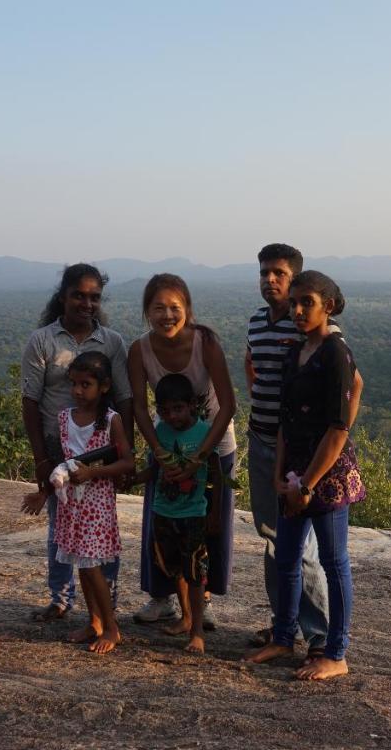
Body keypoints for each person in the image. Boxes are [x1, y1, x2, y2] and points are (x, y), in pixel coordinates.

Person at [244, 271, 365, 681]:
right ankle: (282, 637)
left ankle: (336, 652)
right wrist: (281, 477)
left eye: (306, 303)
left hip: (325, 477)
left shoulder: (335, 352)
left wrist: (309, 484)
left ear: (327, 306)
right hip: (293, 472)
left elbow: (337, 429)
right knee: (288, 558)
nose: (297, 310)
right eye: (294, 303)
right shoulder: (297, 351)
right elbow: (284, 421)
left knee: (332, 562)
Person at [20, 264, 133, 621]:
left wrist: (124, 452)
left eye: (94, 297)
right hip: (59, 446)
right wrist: (41, 459)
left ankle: (105, 606)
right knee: (61, 524)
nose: (87, 303)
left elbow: (125, 397)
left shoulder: (112, 342)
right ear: (63, 297)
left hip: (100, 444)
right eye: (79, 296)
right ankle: (61, 598)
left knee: (101, 525)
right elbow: (30, 401)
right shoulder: (43, 341)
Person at [128, 274, 237, 628]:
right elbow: (139, 408)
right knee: (162, 522)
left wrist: (199, 458)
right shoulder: (139, 350)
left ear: (188, 309)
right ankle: (162, 599)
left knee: (209, 523)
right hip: (167, 448)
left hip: (213, 447)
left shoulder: (204, 343)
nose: (167, 315)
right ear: (147, 312)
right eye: (158, 308)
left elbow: (229, 404)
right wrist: (158, 451)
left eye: (175, 307)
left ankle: (200, 602)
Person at [50, 352, 134, 654]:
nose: (78, 391)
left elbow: (127, 462)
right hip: (72, 504)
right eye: (74, 384)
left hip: (97, 503)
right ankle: (94, 620)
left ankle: (112, 626)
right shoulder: (64, 418)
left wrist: (93, 472)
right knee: (82, 567)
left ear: (104, 386)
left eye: (86, 384)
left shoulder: (112, 421)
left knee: (93, 566)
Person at [148, 373, 224, 653]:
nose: (171, 416)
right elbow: (156, 467)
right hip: (163, 510)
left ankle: (198, 632)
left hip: (193, 512)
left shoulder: (204, 433)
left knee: (195, 572)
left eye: (177, 408)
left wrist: (215, 512)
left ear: (192, 404)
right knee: (174, 567)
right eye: (165, 411)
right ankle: (186, 617)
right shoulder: (161, 432)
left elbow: (215, 472)